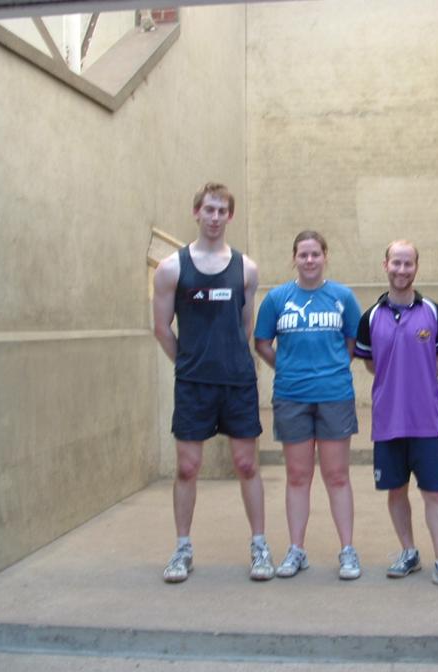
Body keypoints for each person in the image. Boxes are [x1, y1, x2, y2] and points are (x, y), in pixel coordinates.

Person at [153, 182, 274, 584]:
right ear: (196, 212)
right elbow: (161, 329)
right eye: (209, 209)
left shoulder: (247, 269)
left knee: (245, 464)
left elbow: (246, 325)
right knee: (187, 468)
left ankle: (259, 546)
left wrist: (236, 364)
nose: (215, 216)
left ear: (230, 216)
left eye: (222, 210)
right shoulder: (172, 268)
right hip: (193, 385)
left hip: (237, 383)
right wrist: (189, 365)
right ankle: (182, 549)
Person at [354, 240, 438, 592]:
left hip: (425, 422)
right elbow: (371, 363)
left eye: (408, 264)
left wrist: (418, 381)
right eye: (396, 263)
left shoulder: (434, 313)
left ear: (416, 267)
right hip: (387, 420)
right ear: (385, 265)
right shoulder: (370, 317)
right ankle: (409, 552)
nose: (401, 270)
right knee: (396, 491)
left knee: (434, 492)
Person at [254, 230, 363, 580]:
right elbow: (263, 343)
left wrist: (331, 370)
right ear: (294, 258)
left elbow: (352, 342)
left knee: (337, 476)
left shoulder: (342, 296)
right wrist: (287, 368)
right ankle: (296, 550)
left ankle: (347, 551)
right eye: (303, 255)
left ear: (325, 256)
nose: (310, 260)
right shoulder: (277, 298)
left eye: (315, 254)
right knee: (298, 476)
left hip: (334, 396)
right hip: (291, 397)